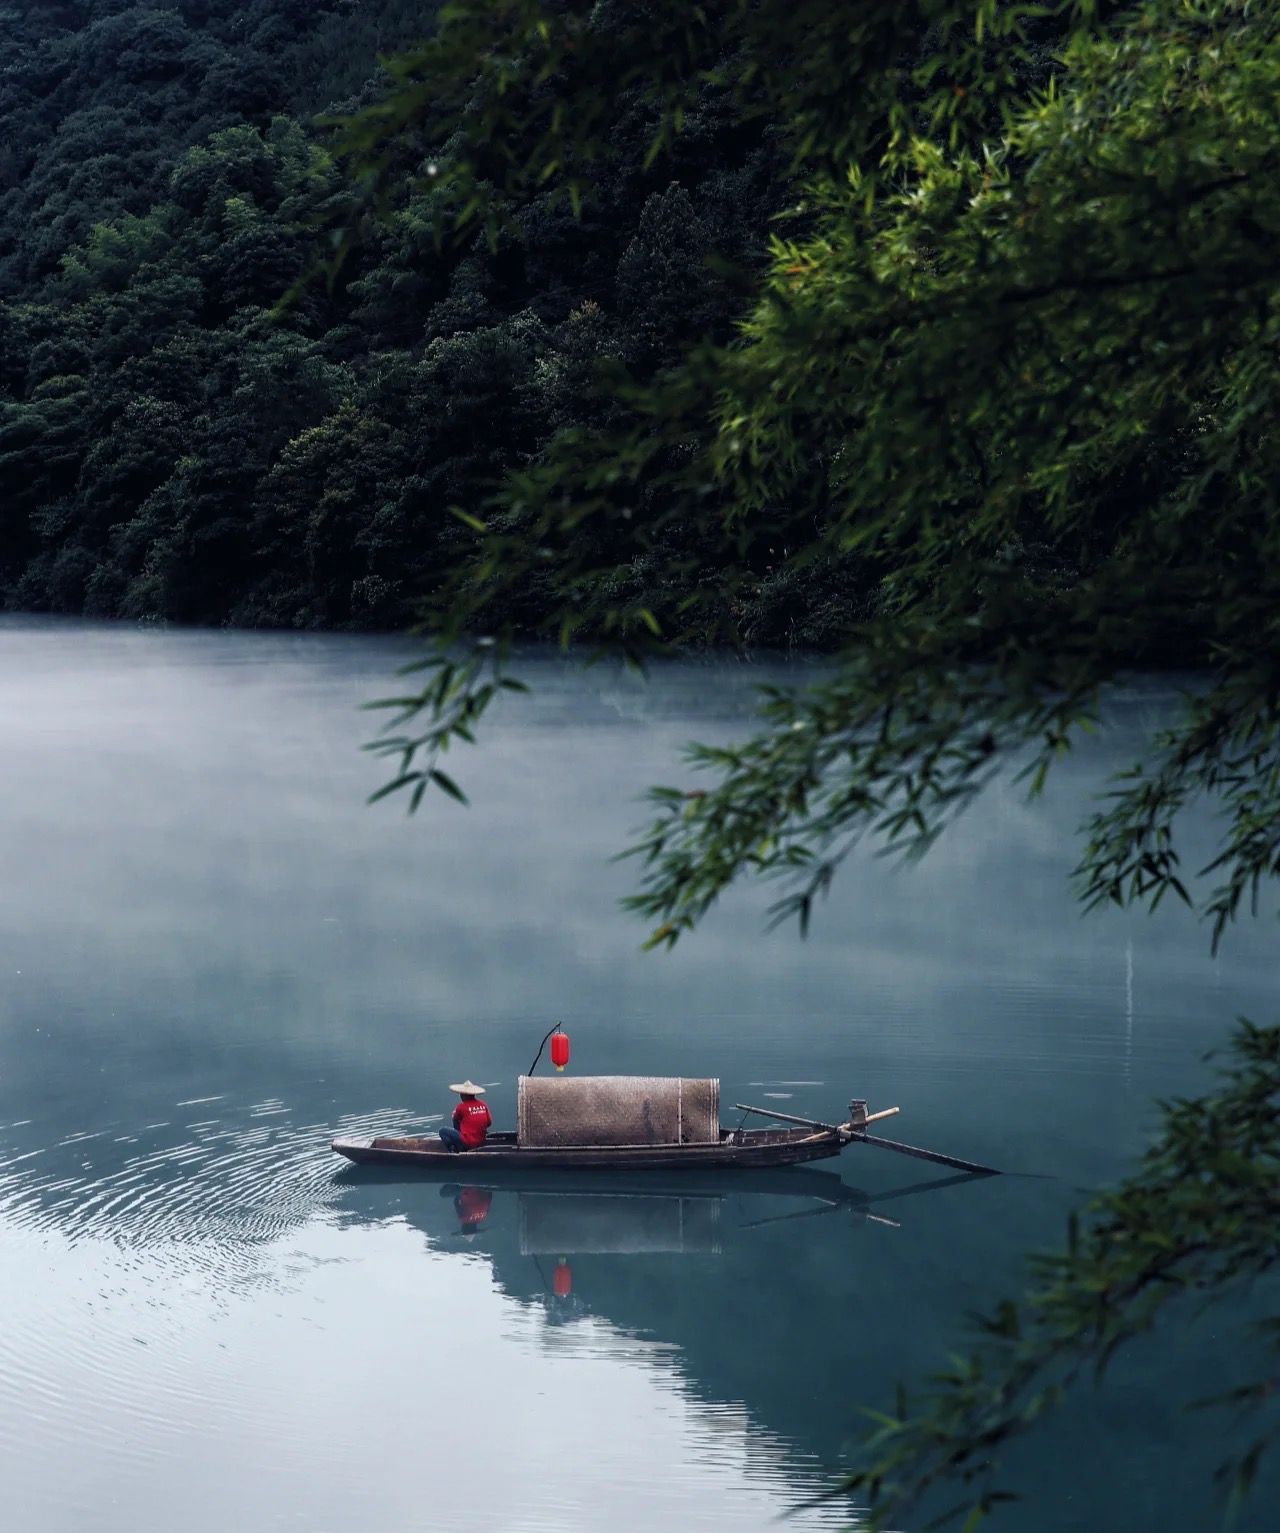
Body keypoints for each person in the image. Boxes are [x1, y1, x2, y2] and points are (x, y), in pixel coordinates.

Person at [439, 1081, 491, 1152]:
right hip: (481, 1141)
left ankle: (454, 1150)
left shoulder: (461, 1107)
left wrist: (454, 1115)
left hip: (467, 1142)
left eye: (461, 1094)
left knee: (442, 1131)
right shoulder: (483, 1104)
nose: (460, 1096)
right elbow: (489, 1123)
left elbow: (455, 1119)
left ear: (464, 1095)